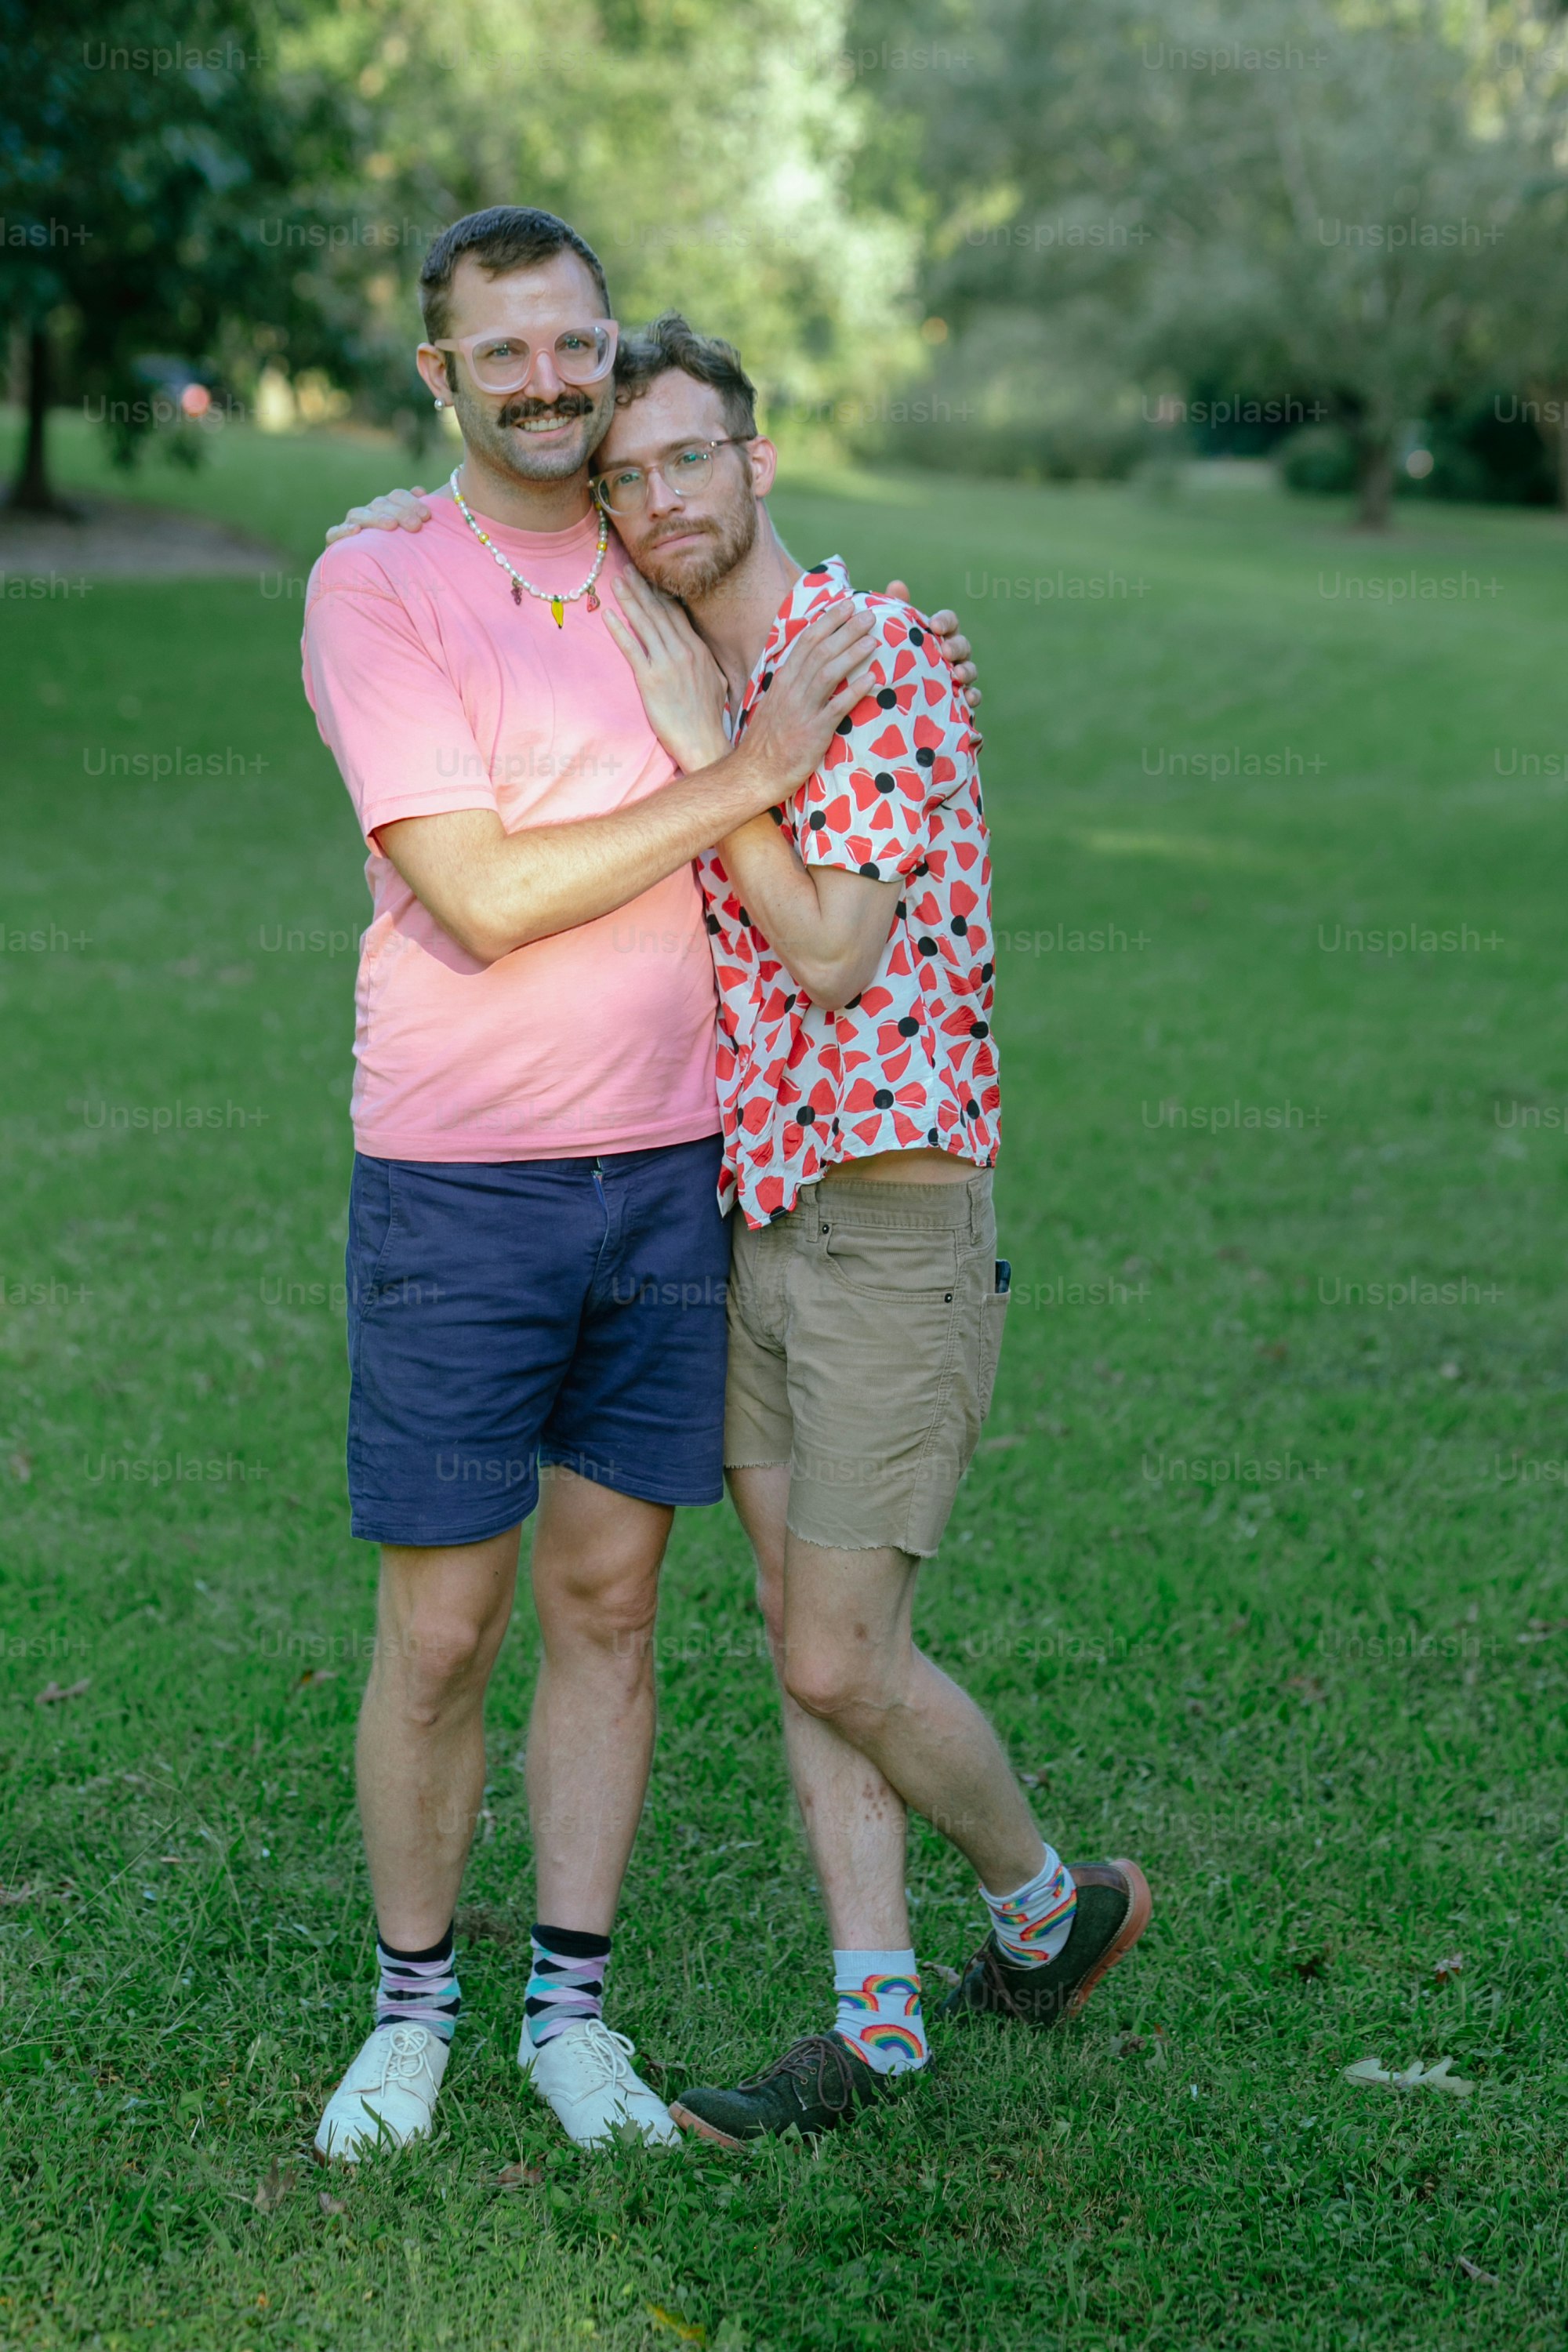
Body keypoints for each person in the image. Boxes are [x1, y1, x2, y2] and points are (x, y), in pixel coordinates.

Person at [341, 308, 1151, 2151]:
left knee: (834, 1655)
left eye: (685, 457)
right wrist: (393, 509)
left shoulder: (868, 664)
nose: (652, 496)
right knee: (797, 1623)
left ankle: (1047, 1904)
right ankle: (873, 2020)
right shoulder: (665, 647)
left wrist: (723, 747)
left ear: (757, 460)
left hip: (891, 1228)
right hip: (736, 1216)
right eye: (625, 474)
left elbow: (831, 948)